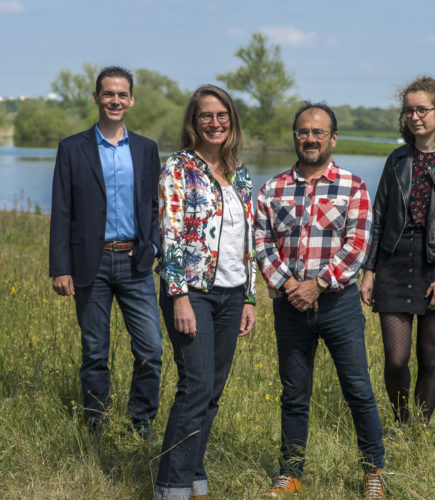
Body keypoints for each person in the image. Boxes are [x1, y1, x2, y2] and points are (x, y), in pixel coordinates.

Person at [256, 102, 387, 499]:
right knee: (294, 393)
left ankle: (374, 471)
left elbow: (358, 245)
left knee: (358, 390)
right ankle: (290, 473)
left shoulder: (353, 186)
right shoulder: (271, 189)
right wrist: (289, 285)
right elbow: (261, 243)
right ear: (294, 136)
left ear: (333, 138)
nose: (309, 139)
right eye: (302, 131)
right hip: (289, 305)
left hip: (338, 305)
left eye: (318, 132)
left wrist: (319, 285)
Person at [154, 85, 257, 500]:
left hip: (232, 295)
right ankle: (171, 486)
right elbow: (171, 235)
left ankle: (194, 475)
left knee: (212, 392)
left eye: (221, 116)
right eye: (205, 116)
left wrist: (250, 296)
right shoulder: (178, 169)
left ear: (231, 120)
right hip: (192, 292)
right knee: (194, 388)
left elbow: (249, 240)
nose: (214, 123)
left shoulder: (241, 173)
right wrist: (179, 296)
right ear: (193, 123)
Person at [49, 66, 162, 437]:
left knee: (150, 349)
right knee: (95, 351)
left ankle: (140, 424)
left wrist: (155, 246)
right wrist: (60, 267)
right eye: (108, 94)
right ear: (96, 97)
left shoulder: (147, 149)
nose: (115, 100)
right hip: (89, 263)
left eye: (122, 94)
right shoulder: (72, 148)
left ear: (131, 100)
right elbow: (62, 210)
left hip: (135, 262)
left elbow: (155, 206)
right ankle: (94, 422)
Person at [359, 77, 435, 425]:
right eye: (409, 110)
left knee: (430, 357)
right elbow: (378, 216)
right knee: (396, 359)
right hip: (394, 263)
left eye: (422, 109)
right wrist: (369, 270)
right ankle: (400, 420)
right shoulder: (397, 159)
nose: (415, 116)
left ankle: (420, 430)